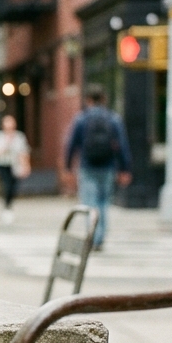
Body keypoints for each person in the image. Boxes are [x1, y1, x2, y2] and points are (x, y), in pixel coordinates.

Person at [64, 84, 132, 251]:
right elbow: (122, 146)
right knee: (103, 204)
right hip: (108, 167)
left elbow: (71, 145)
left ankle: (92, 238)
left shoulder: (81, 119)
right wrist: (125, 169)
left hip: (87, 167)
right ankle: (100, 238)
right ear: (104, 99)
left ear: (88, 100)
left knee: (89, 204)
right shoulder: (113, 119)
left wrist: (67, 167)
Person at [0, 114, 29, 224]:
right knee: (7, 184)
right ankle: (7, 208)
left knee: (13, 186)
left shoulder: (19, 136)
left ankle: (8, 205)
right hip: (3, 164)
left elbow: (23, 152)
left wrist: (26, 165)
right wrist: (7, 143)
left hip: (15, 165)